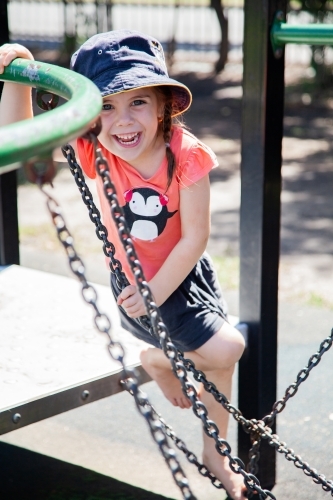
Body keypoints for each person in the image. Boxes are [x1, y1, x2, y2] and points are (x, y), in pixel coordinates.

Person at [0, 31, 246, 499]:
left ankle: (216, 452)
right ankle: (158, 359)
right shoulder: (97, 151)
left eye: (137, 102)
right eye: (107, 106)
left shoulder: (186, 154)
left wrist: (160, 290)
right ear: (93, 116)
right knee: (228, 349)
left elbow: (195, 238)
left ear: (161, 106)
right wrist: (21, 75)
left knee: (219, 369)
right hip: (138, 288)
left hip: (182, 276)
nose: (123, 120)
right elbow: (21, 142)